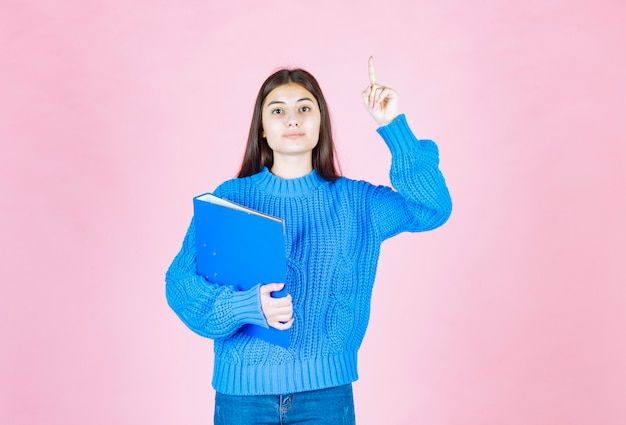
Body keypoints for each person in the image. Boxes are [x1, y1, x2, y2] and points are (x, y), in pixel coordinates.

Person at [165, 57, 452, 425]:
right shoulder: (230, 198)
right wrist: (246, 307)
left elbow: (431, 208)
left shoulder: (357, 203)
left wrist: (393, 127)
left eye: (304, 108)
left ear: (321, 124)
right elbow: (180, 285)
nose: (292, 118)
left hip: (326, 398)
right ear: (263, 130)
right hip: (242, 400)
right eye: (278, 110)